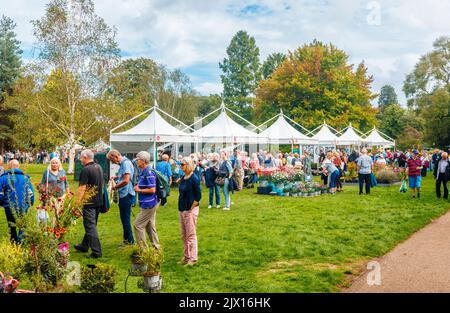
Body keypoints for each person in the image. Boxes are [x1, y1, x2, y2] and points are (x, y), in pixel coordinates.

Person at [74, 150, 104, 258]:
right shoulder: (98, 167)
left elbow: (82, 188)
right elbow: (102, 183)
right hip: (98, 201)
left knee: (90, 226)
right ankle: (84, 245)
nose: (80, 160)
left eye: (81, 158)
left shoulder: (86, 170)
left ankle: (97, 252)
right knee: (91, 225)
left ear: (85, 157)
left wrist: (77, 203)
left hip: (89, 202)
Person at [0, 159, 35, 243]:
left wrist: (2, 203)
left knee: (11, 223)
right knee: (22, 223)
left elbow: (0, 193)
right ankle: (22, 239)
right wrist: (30, 203)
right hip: (23, 205)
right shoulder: (25, 178)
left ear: (9, 167)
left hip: (9, 205)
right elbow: (30, 193)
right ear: (18, 166)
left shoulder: (3, 178)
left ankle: (13, 239)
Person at [107, 149, 135, 246]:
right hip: (124, 194)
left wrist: (115, 187)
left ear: (115, 156)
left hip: (126, 194)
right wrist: (115, 178)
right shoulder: (123, 164)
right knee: (124, 219)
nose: (113, 162)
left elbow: (126, 180)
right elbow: (123, 177)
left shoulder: (126, 163)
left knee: (126, 219)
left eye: (112, 160)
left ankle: (130, 242)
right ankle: (126, 241)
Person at [176, 157, 201, 266]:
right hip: (182, 209)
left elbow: (198, 196)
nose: (180, 166)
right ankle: (186, 257)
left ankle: (193, 258)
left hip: (190, 210)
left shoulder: (194, 178)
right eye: (180, 164)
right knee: (183, 235)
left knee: (191, 235)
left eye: (182, 164)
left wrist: (191, 209)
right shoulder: (183, 177)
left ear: (189, 165)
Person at [133, 151, 160, 250]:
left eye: (138, 160)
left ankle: (143, 250)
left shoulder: (149, 172)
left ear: (143, 161)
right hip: (148, 203)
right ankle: (156, 248)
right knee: (150, 226)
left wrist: (139, 189)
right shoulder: (144, 171)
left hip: (149, 204)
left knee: (138, 225)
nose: (136, 162)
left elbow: (153, 189)